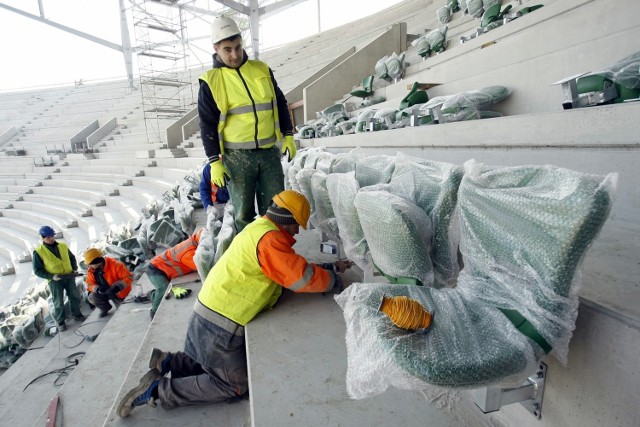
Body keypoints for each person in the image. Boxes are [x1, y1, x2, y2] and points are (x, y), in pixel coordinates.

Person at [117, 190, 351, 417]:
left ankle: (168, 361)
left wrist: (326, 268)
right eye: (296, 225)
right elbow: (303, 279)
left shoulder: (259, 229)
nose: (298, 232)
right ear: (287, 220)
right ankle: (158, 391)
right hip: (220, 326)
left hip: (208, 314)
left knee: (215, 363)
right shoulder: (270, 241)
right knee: (234, 385)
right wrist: (333, 280)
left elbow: (286, 268)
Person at [198, 16, 297, 232]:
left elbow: (279, 102)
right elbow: (207, 124)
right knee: (243, 213)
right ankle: (251, 257)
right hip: (237, 157)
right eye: (227, 50)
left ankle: (273, 254)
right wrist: (214, 161)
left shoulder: (261, 69)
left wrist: (288, 134)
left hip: (269, 152)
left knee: (275, 208)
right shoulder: (210, 81)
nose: (234, 55)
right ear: (216, 48)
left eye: (238, 47)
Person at [32, 225, 86, 331]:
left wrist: (74, 268)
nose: (51, 239)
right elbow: (37, 270)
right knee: (58, 301)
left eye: (52, 236)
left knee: (74, 296)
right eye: (48, 237)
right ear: (42, 238)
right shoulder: (38, 252)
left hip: (69, 276)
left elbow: (71, 258)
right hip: (55, 280)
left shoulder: (62, 245)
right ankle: (61, 322)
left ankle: (78, 315)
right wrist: (51, 276)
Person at [146, 228, 203, 319]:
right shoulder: (188, 252)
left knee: (163, 289)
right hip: (156, 268)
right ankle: (154, 312)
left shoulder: (194, 242)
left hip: (164, 268)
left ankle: (153, 295)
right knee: (163, 289)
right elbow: (202, 267)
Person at [84, 248, 133, 317]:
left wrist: (118, 287)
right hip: (105, 292)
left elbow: (129, 277)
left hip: (118, 293)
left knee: (123, 313)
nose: (90, 266)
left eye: (91, 264)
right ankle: (105, 308)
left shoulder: (116, 265)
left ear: (97, 261)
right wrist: (97, 289)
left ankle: (120, 303)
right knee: (92, 297)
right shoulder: (92, 270)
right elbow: (89, 284)